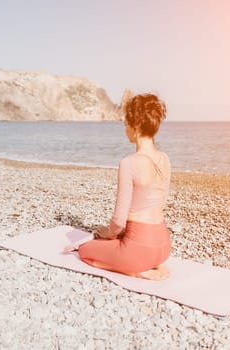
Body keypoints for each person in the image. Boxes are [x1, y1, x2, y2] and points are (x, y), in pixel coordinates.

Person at [76, 93, 171, 280]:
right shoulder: (165, 159)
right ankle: (145, 264)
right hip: (163, 246)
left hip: (139, 250)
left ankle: (135, 271)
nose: (125, 128)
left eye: (125, 124)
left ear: (135, 127)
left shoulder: (129, 163)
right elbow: (159, 203)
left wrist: (110, 234)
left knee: (84, 251)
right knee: (119, 245)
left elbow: (119, 220)